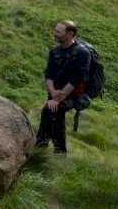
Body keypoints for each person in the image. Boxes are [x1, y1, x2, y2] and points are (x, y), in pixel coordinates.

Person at [35, 20, 92, 155]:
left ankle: (39, 148)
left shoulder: (82, 53)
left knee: (48, 112)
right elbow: (48, 75)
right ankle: (59, 153)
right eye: (55, 30)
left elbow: (77, 79)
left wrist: (59, 98)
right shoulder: (54, 51)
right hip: (55, 94)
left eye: (58, 32)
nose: (54, 34)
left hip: (72, 96)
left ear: (70, 34)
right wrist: (53, 93)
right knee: (56, 120)